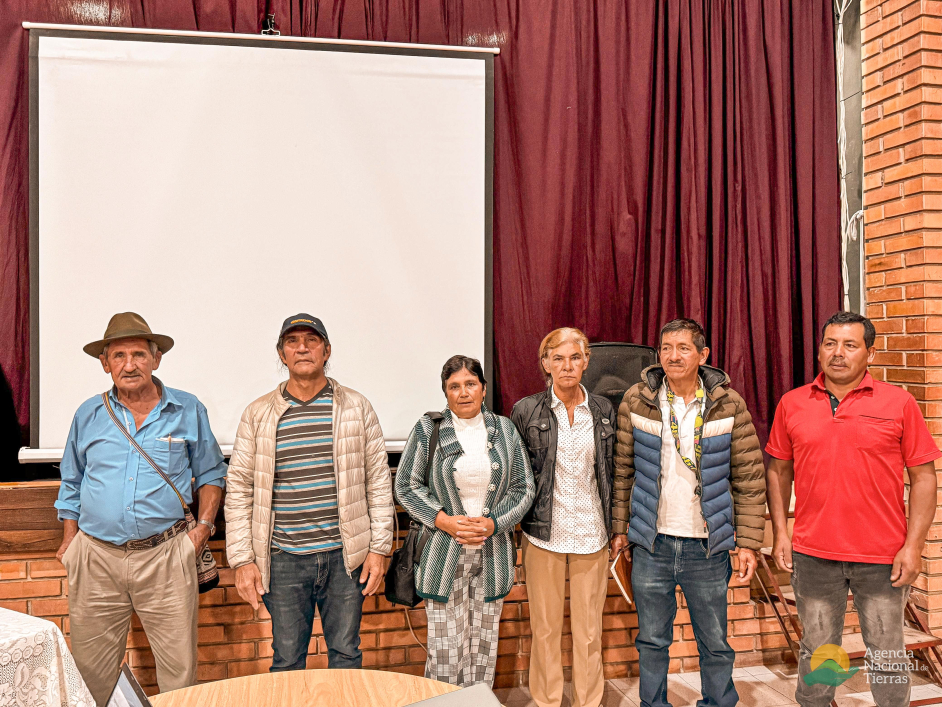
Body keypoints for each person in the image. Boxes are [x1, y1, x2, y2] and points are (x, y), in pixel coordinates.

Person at [766, 311, 941, 707]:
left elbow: (925, 478)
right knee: (820, 650)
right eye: (830, 343)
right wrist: (781, 533)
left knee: (886, 653)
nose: (838, 353)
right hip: (814, 555)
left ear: (870, 354)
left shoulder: (899, 403)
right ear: (819, 350)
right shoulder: (793, 403)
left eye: (849, 345)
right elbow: (778, 472)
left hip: (882, 557)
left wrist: (913, 546)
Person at [55, 312, 227, 705]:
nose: (129, 365)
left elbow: (212, 474)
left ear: (156, 359)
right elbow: (72, 482)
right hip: (96, 556)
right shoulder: (88, 414)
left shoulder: (187, 409)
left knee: (179, 674)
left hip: (166, 555)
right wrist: (71, 542)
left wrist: (200, 532)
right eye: (118, 356)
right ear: (105, 363)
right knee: (88, 673)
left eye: (138, 354)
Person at [225, 314, 394, 671]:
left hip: (345, 559)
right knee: (286, 659)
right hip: (282, 558)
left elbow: (378, 481)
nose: (302, 347)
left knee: (346, 654)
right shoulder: (259, 414)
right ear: (282, 354)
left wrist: (379, 549)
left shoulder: (355, 407)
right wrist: (242, 560)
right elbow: (239, 488)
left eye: (312, 340)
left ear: (326, 350)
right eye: (292, 341)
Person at [614, 318, 766, 707]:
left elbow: (749, 477)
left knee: (714, 642)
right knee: (651, 640)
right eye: (666, 348)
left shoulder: (727, 404)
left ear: (703, 354)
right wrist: (621, 530)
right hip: (653, 543)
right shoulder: (638, 399)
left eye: (683, 348)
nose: (673, 356)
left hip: (707, 547)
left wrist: (747, 542)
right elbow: (623, 471)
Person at [396, 355, 535, 687]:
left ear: (483, 388)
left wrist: (494, 523)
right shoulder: (428, 429)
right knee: (446, 649)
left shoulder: (504, 430)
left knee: (484, 645)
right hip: (443, 551)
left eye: (470, 384)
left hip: (493, 551)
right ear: (445, 393)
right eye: (453, 386)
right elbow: (405, 485)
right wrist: (443, 520)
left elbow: (523, 487)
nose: (463, 392)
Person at [510, 328, 620, 707]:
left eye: (574, 357)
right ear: (545, 364)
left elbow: (616, 474)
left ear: (587, 361)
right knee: (544, 630)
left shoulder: (604, 410)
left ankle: (588, 702)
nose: (567, 365)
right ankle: (547, 701)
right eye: (557, 358)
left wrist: (617, 528)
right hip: (543, 537)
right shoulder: (526, 411)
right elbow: (516, 476)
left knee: (589, 632)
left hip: (593, 534)